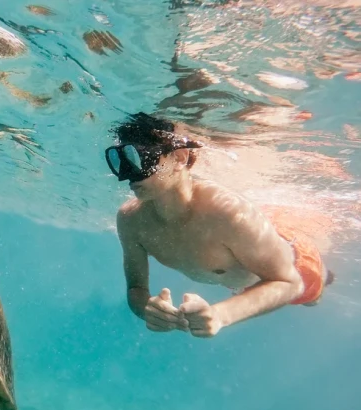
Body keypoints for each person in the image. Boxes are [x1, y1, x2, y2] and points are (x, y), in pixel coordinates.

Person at [107, 112, 334, 338]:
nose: (126, 175)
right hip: (244, 277)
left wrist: (219, 315)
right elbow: (136, 289)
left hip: (297, 264)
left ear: (179, 158)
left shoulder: (228, 214)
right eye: (119, 161)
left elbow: (290, 282)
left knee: (312, 297)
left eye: (138, 158)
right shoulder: (130, 220)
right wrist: (148, 309)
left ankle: (326, 278)